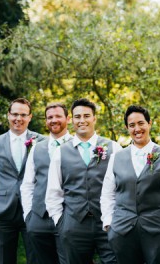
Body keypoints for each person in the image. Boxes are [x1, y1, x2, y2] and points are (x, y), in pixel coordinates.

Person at [100, 105, 160, 264]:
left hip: (159, 230)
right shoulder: (116, 157)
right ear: (127, 128)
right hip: (122, 231)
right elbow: (107, 194)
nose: (137, 129)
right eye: (132, 125)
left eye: (141, 123)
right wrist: (109, 223)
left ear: (149, 123)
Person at [45, 98, 122, 264]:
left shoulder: (114, 148)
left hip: (108, 223)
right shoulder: (60, 152)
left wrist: (117, 219)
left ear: (94, 118)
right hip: (74, 225)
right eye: (77, 116)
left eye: (86, 116)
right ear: (71, 119)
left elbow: (122, 187)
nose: (82, 120)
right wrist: (61, 222)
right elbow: (53, 191)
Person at [0, 97, 42, 264]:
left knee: (36, 257)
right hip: (3, 212)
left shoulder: (42, 141)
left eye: (23, 114)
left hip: (32, 211)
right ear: (8, 115)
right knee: (5, 259)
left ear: (30, 117)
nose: (19, 118)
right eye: (15, 114)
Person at [20, 103, 73, 264]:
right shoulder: (37, 148)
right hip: (39, 219)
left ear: (68, 119)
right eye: (50, 117)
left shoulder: (77, 146)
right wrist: (29, 216)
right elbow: (28, 184)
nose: (53, 120)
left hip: (68, 216)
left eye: (58, 116)